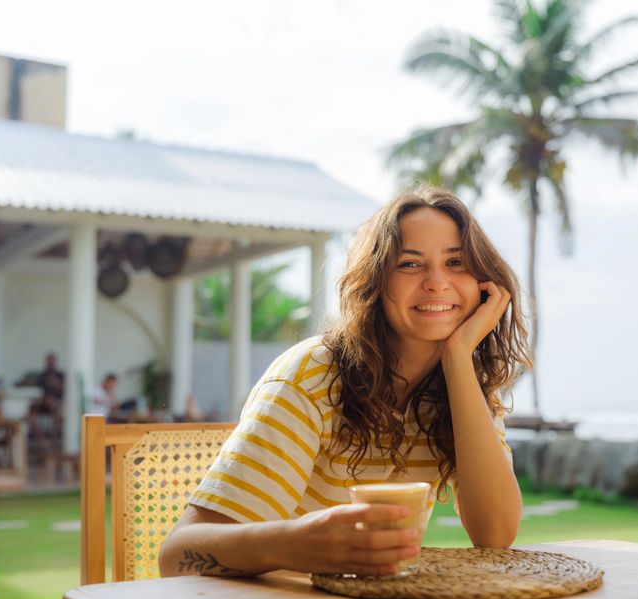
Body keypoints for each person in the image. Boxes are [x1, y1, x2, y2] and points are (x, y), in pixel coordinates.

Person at [159, 185, 532, 578]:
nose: (437, 282)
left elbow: (495, 535)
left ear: (485, 285)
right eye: (409, 264)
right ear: (375, 282)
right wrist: (293, 543)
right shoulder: (311, 379)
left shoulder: (464, 387)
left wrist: (457, 357)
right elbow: (177, 556)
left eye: (456, 262)